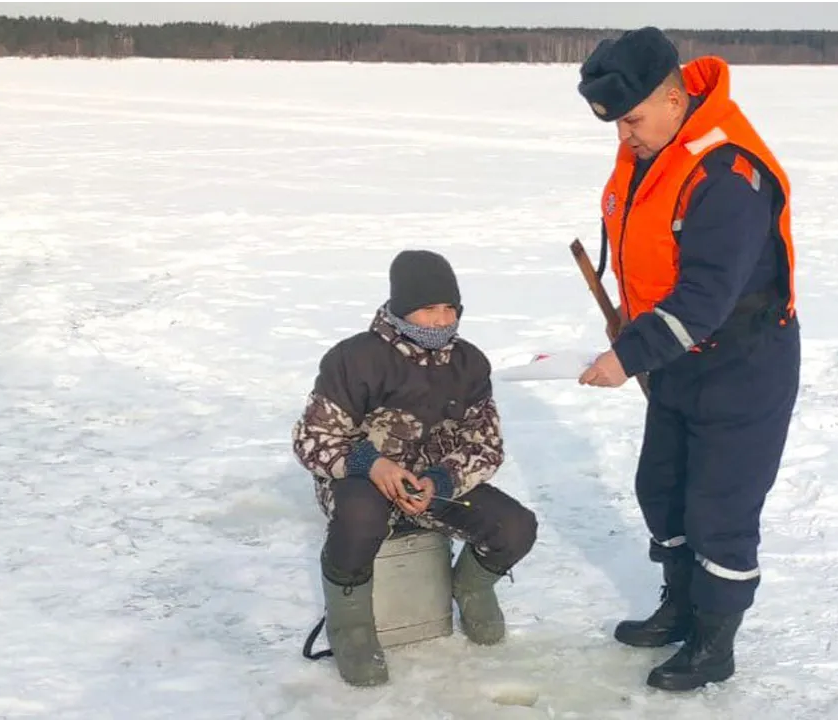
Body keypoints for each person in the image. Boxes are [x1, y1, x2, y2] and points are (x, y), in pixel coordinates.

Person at [575, 27, 801, 692]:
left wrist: (627, 356)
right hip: (678, 358)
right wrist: (637, 330)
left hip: (743, 363)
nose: (624, 137)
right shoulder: (655, 152)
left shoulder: (728, 175)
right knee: (663, 491)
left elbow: (703, 297)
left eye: (633, 120)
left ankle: (713, 642)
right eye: (615, 124)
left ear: (674, 100)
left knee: (718, 511)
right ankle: (679, 607)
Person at [291, 249, 538, 687]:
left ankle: (473, 588)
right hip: (358, 478)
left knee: (516, 526)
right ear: (401, 308)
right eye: (429, 308)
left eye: (451, 308)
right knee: (360, 519)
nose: (443, 320)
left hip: (433, 484)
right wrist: (372, 464)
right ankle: (351, 625)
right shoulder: (353, 359)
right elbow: (312, 439)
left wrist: (442, 479)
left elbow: (486, 445)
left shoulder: (470, 363)